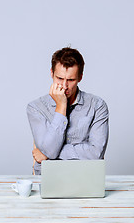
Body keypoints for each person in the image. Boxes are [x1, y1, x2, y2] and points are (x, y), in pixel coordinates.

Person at [27, 47, 109, 175]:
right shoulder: (36, 107)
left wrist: (48, 154)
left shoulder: (97, 106)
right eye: (59, 78)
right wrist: (61, 107)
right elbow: (48, 150)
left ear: (80, 77)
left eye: (71, 80)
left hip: (84, 175)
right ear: (51, 73)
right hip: (49, 176)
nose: (64, 86)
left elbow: (96, 153)